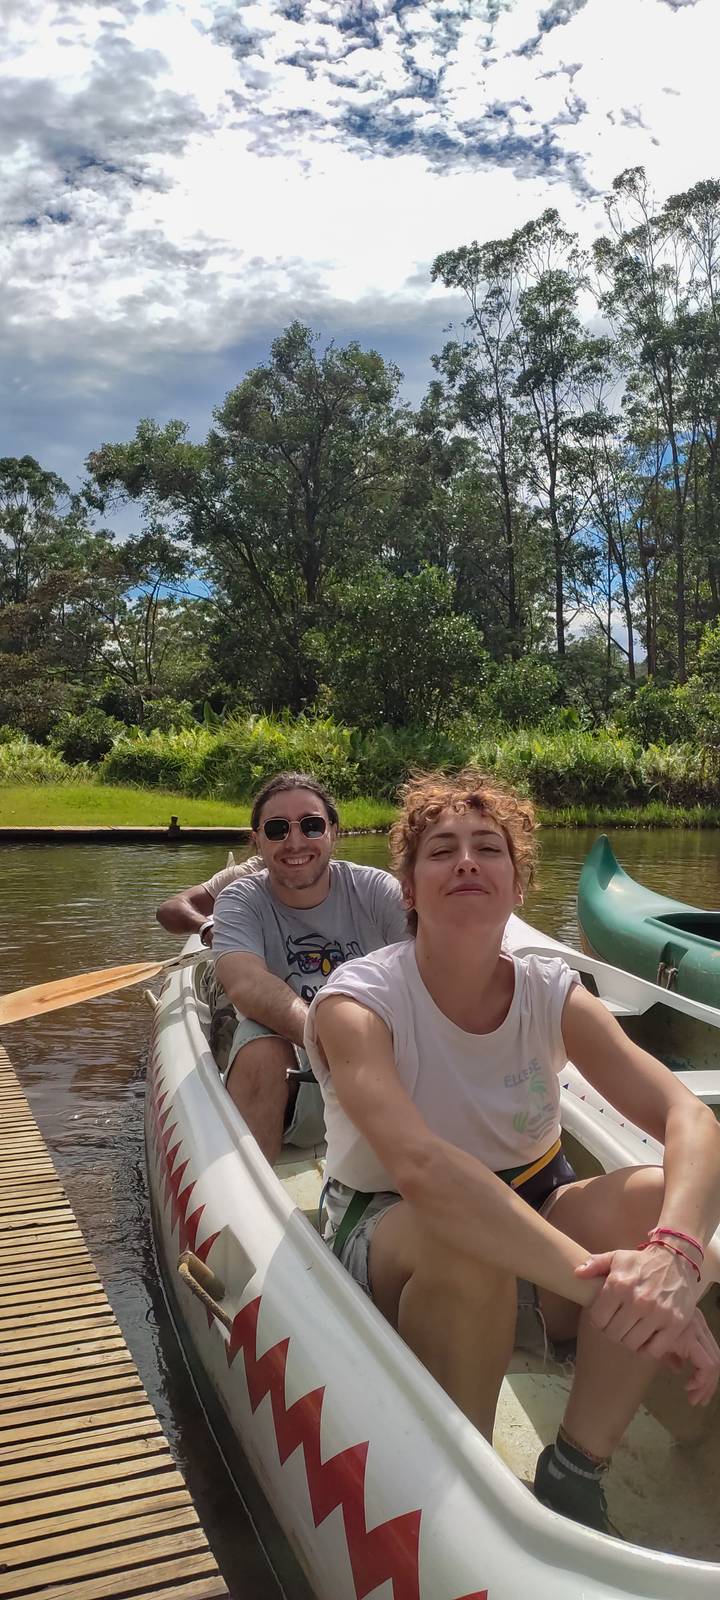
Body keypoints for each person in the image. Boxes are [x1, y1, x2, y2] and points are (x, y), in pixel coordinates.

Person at [304, 769, 720, 1536]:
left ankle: (574, 1466)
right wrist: (617, 1294)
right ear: (409, 887)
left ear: (518, 883)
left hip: (540, 1206)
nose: (466, 861)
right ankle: (467, 1491)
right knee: (467, 1250)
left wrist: (676, 1259)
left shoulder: (550, 990)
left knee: (660, 1199)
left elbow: (688, 1116)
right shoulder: (358, 1003)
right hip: (398, 1231)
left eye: (488, 848)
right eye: (441, 851)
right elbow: (423, 1171)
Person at [212, 771, 409, 1164]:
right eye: (277, 829)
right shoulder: (240, 901)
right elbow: (246, 984)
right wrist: (331, 1042)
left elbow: (429, 967)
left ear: (334, 831)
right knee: (259, 1042)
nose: (295, 842)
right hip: (300, 1076)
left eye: (312, 825)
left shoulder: (376, 891)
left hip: (385, 1059)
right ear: (256, 840)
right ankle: (250, 1204)